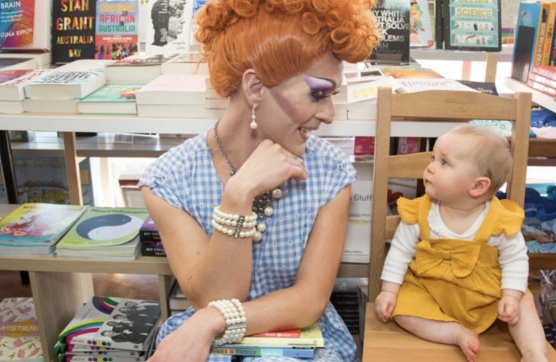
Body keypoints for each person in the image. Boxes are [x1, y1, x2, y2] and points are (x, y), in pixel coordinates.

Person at [138, 0, 380, 361]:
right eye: (318, 93)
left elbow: (308, 301)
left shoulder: (330, 173)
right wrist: (238, 196)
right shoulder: (169, 181)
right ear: (254, 87)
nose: (329, 114)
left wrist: (211, 322)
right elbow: (212, 296)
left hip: (305, 343)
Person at [374, 124, 549, 362]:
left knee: (525, 300)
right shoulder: (420, 212)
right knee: (402, 309)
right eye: (433, 158)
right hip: (430, 290)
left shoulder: (499, 221)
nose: (430, 168)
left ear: (478, 186)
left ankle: (533, 352)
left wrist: (510, 296)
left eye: (444, 163)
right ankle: (454, 333)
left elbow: (515, 260)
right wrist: (389, 292)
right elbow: (399, 253)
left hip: (482, 296)